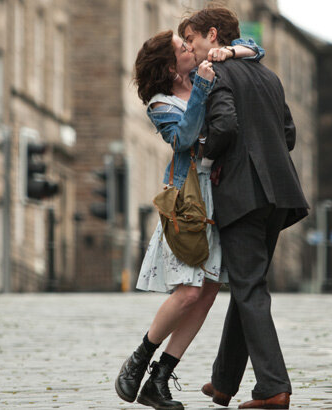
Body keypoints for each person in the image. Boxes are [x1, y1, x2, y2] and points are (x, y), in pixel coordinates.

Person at [115, 29, 264, 410]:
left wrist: (228, 52)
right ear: (170, 66)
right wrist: (202, 89)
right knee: (189, 292)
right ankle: (139, 359)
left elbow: (256, 48)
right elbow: (183, 140)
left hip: (222, 197)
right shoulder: (161, 104)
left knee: (209, 292)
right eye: (182, 47)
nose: (190, 47)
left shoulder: (206, 71)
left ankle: (159, 379)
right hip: (189, 203)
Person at [178, 7, 310, 410]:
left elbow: (224, 127)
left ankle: (273, 388)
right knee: (247, 283)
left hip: (242, 193)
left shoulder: (215, 73)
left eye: (191, 40)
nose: (190, 49)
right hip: (279, 195)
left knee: (249, 287)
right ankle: (223, 382)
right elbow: (288, 134)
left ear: (212, 35)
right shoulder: (268, 76)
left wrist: (202, 151)